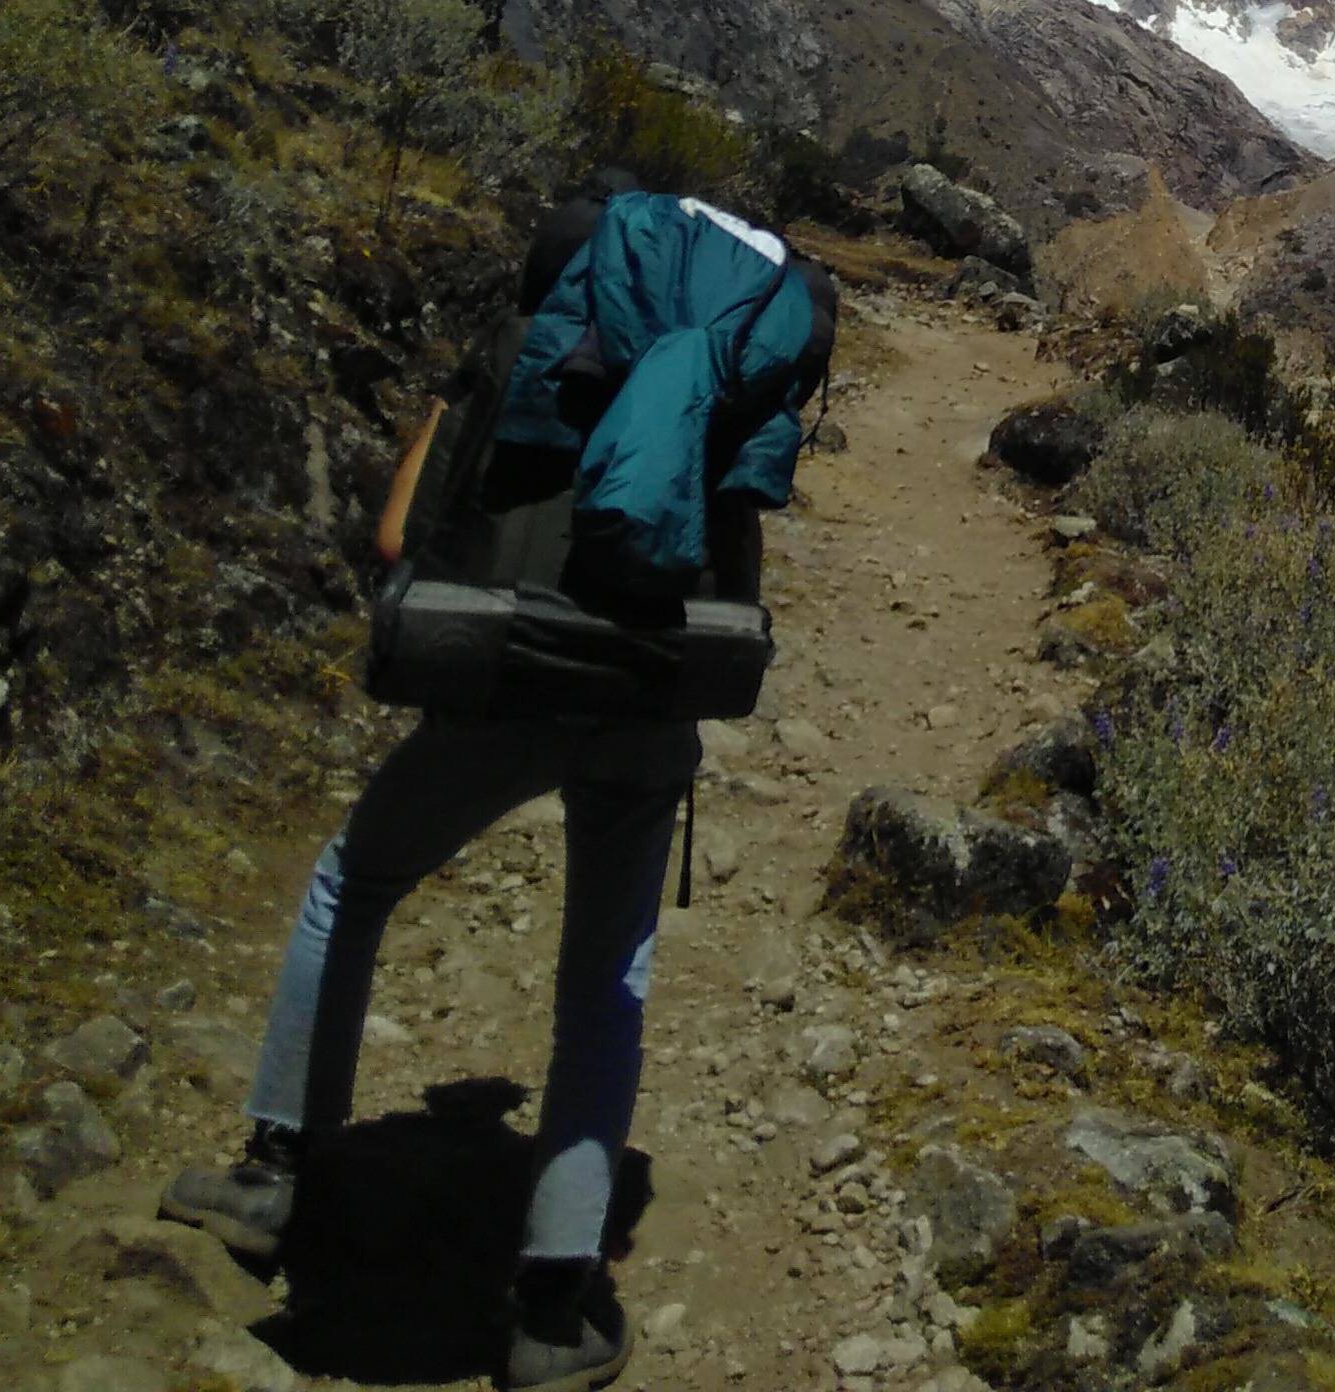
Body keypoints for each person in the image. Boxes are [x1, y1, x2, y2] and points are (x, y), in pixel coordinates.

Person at [163, 177, 835, 1392]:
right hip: (643, 704)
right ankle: (552, 1302)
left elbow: (394, 539)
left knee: (351, 887)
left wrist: (450, 416)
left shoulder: (518, 349)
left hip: (503, 680)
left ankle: (272, 1175)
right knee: (605, 978)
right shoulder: (732, 377)